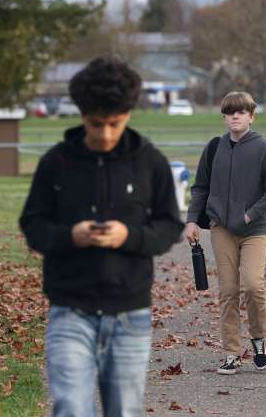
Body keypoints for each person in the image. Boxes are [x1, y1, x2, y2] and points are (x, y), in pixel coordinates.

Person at [19, 57, 184, 416]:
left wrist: (129, 236)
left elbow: (170, 225)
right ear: (81, 115)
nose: (105, 134)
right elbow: (32, 225)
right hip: (69, 311)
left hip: (129, 313)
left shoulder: (150, 162)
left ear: (128, 114)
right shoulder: (56, 163)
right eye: (96, 124)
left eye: (115, 124)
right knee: (70, 408)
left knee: (123, 411)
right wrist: (70, 236)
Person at [186, 92, 266, 375]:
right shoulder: (214, 147)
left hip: (253, 230)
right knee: (228, 291)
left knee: (253, 286)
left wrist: (249, 214)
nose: (236, 116)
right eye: (230, 112)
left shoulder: (263, 147)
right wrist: (192, 220)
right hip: (221, 229)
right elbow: (200, 187)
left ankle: (259, 339)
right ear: (225, 117)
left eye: (241, 112)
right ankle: (230, 352)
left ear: (251, 116)